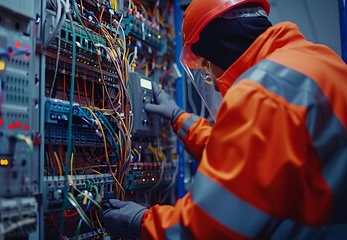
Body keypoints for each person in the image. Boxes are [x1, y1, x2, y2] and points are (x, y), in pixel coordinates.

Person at [102, 0, 347, 238]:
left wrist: (142, 222)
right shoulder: (321, 61)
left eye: (207, 65)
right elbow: (255, 159)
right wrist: (178, 117)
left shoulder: (262, 90)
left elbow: (208, 229)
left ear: (218, 45)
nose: (215, 82)